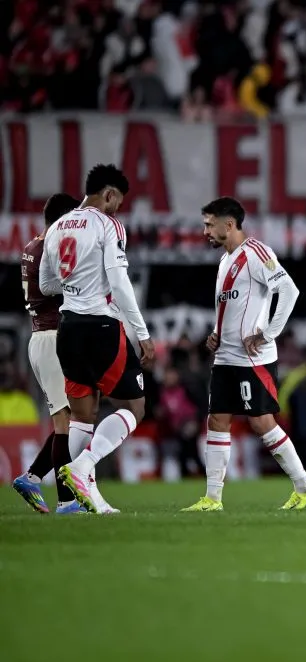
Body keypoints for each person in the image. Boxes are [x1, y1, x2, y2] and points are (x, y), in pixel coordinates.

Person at [182, 197, 306, 511]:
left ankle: (305, 488)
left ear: (228, 224)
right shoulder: (225, 260)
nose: (204, 231)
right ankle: (212, 499)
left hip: (252, 358)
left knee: (261, 423)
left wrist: (268, 333)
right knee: (217, 420)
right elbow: (230, 306)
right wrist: (217, 334)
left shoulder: (256, 253)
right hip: (226, 357)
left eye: (208, 224)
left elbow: (289, 290)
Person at [39, 165, 155, 513]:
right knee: (135, 407)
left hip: (68, 327)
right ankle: (84, 468)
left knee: (82, 416)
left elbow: (47, 286)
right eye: (117, 200)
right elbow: (119, 284)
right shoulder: (108, 225)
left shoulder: (56, 227)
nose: (117, 208)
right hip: (101, 329)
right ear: (108, 194)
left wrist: (76, 283)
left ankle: (75, 499)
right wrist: (143, 334)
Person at [12, 192, 118, 514]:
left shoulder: (33, 246)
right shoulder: (51, 247)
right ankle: (67, 501)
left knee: (72, 418)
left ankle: (33, 478)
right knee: (66, 421)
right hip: (51, 337)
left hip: (43, 337)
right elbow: (61, 284)